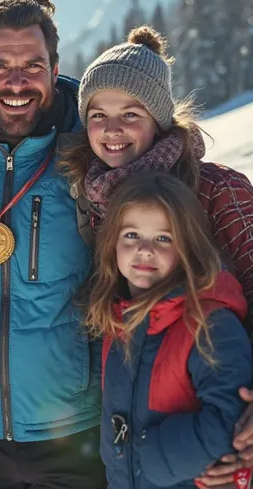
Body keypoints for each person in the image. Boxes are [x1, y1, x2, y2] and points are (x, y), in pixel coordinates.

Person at [59, 23, 253, 487]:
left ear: (160, 118)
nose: (112, 130)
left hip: (217, 429)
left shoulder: (218, 189)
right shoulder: (92, 197)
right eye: (98, 115)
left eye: (131, 113)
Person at [0, 0, 105, 489]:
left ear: (55, 70)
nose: (16, 82)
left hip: (78, 433)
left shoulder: (95, 154)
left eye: (32, 65)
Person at [87, 171, 252, 489]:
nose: (144, 250)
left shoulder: (209, 323)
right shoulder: (118, 321)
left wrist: (152, 457)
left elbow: (234, 417)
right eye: (131, 235)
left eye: (163, 238)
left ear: (188, 247)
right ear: (112, 244)